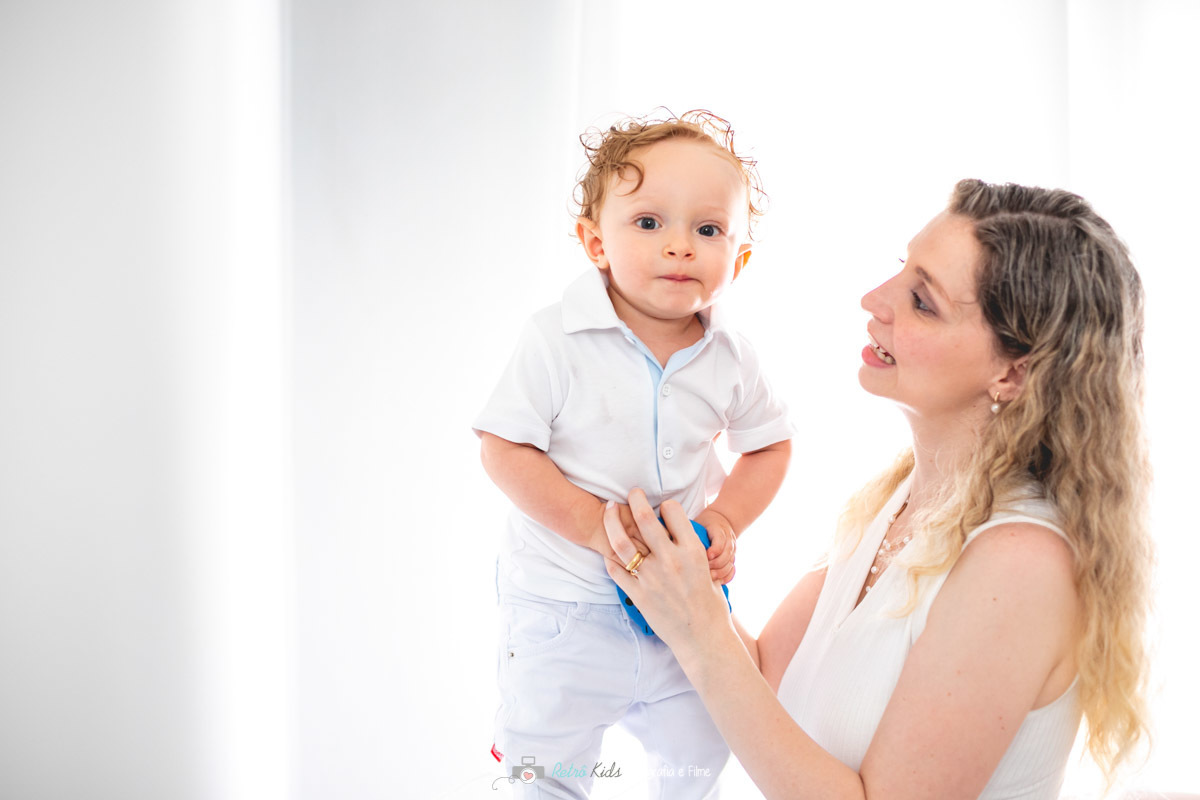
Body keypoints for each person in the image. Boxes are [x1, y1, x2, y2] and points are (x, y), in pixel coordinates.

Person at [604, 179, 1152, 799]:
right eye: (902, 269)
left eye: (922, 301)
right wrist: (672, 567)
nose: (874, 300)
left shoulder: (1020, 563)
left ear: (1012, 372)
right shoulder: (897, 506)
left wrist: (699, 629)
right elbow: (761, 683)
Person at [473, 110, 794, 798]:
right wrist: (596, 528)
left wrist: (728, 520)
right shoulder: (557, 339)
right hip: (568, 605)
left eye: (707, 230)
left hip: (682, 612)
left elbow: (769, 447)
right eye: (649, 223)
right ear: (595, 241)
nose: (679, 246)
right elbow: (504, 448)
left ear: (736, 260)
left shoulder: (732, 355)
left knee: (700, 755)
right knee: (546, 767)